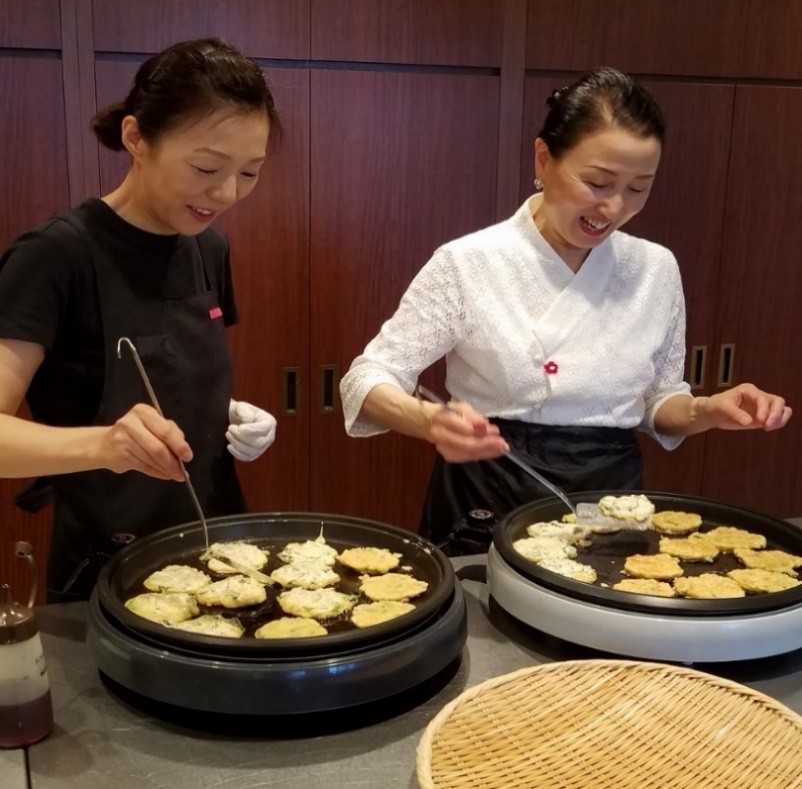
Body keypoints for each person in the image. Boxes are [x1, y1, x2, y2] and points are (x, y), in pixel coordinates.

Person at [339, 67, 792, 554]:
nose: (615, 207)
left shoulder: (654, 269)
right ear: (544, 158)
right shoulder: (469, 262)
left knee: (601, 620)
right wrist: (427, 421)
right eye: (598, 182)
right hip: (489, 490)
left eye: (639, 187)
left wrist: (707, 410)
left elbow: (660, 404)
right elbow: (367, 379)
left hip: (608, 499)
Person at [0, 38, 280, 599]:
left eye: (249, 173)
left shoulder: (209, 248)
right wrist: (105, 445)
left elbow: (166, 372)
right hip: (107, 563)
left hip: (220, 548)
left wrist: (223, 414)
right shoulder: (56, 256)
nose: (224, 193)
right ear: (136, 138)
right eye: (206, 167)